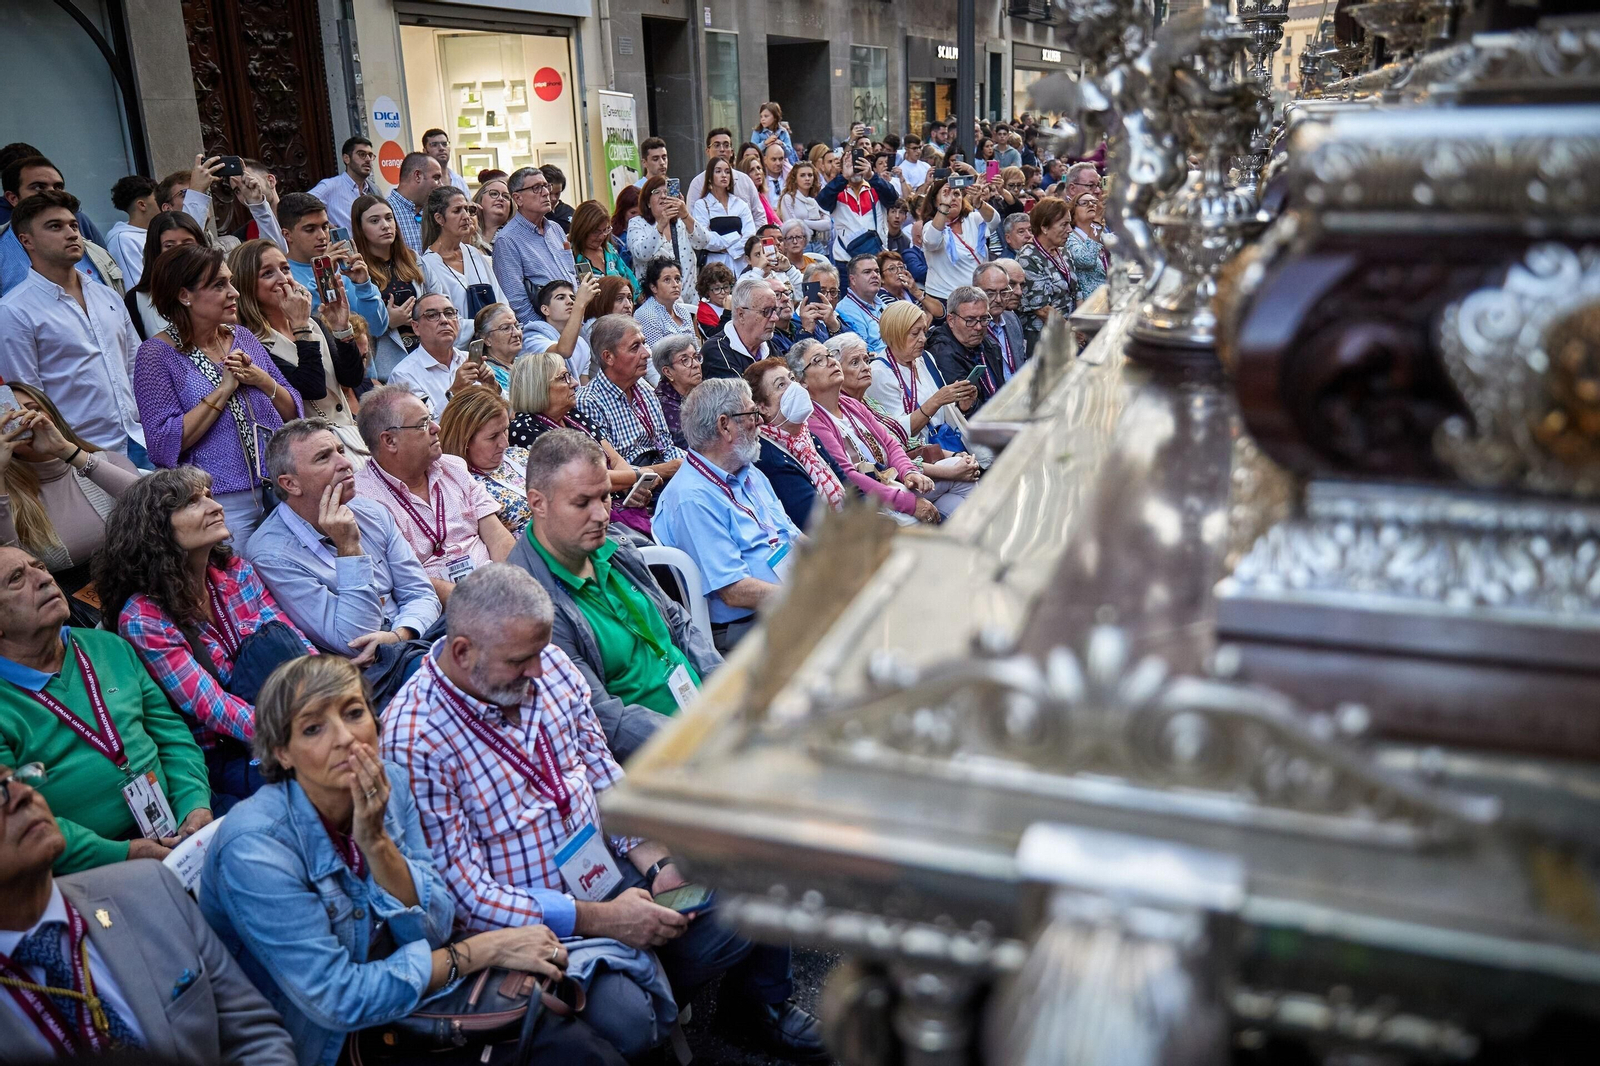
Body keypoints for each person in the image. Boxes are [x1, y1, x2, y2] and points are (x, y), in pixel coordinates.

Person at [383, 564, 823, 1059]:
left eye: (538, 654)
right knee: (627, 1015)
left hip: (607, 870)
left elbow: (600, 771)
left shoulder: (545, 662)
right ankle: (628, 1004)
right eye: (519, 661)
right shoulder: (414, 738)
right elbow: (465, 897)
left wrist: (655, 862)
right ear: (462, 652)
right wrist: (602, 920)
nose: (536, 672)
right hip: (530, 924)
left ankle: (707, 1001)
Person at [200, 654, 616, 1066]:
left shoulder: (392, 784)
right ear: (282, 754)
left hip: (409, 993)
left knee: (573, 1038)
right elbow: (340, 1001)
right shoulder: (255, 848)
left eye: (354, 712)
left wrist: (379, 844)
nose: (345, 737)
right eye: (313, 728)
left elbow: (434, 928)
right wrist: (482, 950)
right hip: (328, 1044)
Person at [0, 761, 296, 1062]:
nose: (22, 793)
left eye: (14, 777)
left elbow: (254, 1034)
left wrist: (194, 799)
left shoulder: (149, 887)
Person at [98, 466, 316, 802]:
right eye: (192, 503)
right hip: (226, 749)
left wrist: (331, 698)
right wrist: (296, 733)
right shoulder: (143, 616)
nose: (215, 507)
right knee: (313, 781)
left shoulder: (236, 572)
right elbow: (209, 706)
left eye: (209, 496)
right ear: (156, 529)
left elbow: (295, 643)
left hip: (289, 713)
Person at [509, 429, 722, 755]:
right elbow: (603, 718)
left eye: (605, 496)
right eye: (582, 502)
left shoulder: (613, 546)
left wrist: (724, 688)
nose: (602, 515)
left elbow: (676, 621)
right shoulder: (531, 606)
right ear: (538, 503)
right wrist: (700, 735)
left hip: (707, 717)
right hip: (662, 758)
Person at [0, 548, 211, 872]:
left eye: (39, 566)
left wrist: (194, 805)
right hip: (93, 868)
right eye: (17, 579)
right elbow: (15, 822)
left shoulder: (107, 646)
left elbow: (171, 736)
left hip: (180, 826)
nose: (44, 579)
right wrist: (122, 853)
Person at [134, 244, 301, 540]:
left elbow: (292, 411)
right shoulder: (156, 355)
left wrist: (262, 379)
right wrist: (223, 390)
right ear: (184, 295)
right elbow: (162, 444)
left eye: (231, 282)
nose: (234, 292)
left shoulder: (242, 337)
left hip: (283, 485)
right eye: (219, 285)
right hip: (223, 502)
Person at [247, 418, 440, 665]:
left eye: (340, 451)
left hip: (415, 638)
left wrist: (399, 635)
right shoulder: (271, 556)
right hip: (372, 674)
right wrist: (349, 550)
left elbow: (421, 593)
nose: (346, 463)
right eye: (323, 458)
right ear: (290, 484)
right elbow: (355, 639)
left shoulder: (370, 511)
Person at [653, 378, 802, 652]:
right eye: (751, 414)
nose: (760, 421)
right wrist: (806, 597)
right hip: (751, 625)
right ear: (724, 426)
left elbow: (789, 533)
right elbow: (734, 591)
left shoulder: (748, 471)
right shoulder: (691, 498)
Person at [0, 191, 144, 459]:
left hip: (139, 439)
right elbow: (29, 398)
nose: (71, 233)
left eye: (73, 225)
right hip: (78, 452)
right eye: (55, 226)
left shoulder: (107, 295)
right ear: (26, 240)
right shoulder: (14, 310)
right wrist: (65, 453)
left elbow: (136, 366)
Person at [352, 385, 514, 601]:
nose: (436, 428)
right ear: (390, 441)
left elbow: (497, 537)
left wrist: (514, 583)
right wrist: (477, 600)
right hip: (446, 610)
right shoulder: (363, 500)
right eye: (423, 424)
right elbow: (405, 580)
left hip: (498, 585)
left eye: (431, 418)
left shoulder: (453, 467)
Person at [0, 384, 140, 603]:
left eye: (32, 409)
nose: (25, 419)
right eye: (10, 417)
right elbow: (11, 569)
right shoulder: (6, 496)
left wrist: (65, 450)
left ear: (51, 414)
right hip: (77, 617)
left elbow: (156, 505)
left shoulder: (106, 461)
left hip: (145, 586)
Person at [229, 239, 366, 454]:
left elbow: (352, 379)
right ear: (247, 286)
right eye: (267, 274)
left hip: (349, 438)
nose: (283, 279)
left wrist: (341, 328)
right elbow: (312, 389)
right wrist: (300, 327)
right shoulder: (254, 343)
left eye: (285, 269)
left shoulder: (314, 323)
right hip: (311, 452)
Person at [506, 351, 657, 539]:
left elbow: (614, 458)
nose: (575, 383)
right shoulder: (524, 429)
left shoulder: (573, 415)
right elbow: (583, 480)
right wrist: (637, 476)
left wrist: (632, 491)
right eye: (563, 378)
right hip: (587, 519)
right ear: (538, 387)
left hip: (618, 506)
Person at [800, 336, 943, 526]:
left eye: (830, 356)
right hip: (870, 500)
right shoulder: (812, 420)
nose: (831, 362)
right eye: (818, 361)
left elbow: (890, 444)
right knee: (921, 523)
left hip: (894, 480)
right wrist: (908, 502)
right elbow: (848, 475)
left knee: (959, 489)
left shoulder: (850, 403)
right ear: (802, 382)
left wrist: (909, 472)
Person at [840, 328, 978, 515]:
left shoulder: (867, 401)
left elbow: (909, 444)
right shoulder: (853, 403)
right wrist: (952, 470)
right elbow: (886, 461)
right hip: (892, 486)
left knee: (955, 500)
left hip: (912, 470)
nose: (866, 367)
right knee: (965, 480)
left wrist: (954, 455)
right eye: (855, 363)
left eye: (866, 360)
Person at [576, 314, 686, 477]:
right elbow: (606, 472)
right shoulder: (589, 402)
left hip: (661, 474)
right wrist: (663, 470)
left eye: (644, 343)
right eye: (635, 347)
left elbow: (666, 446)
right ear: (608, 357)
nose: (646, 353)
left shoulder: (643, 388)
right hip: (631, 490)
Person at [745, 355, 847, 529]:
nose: (794, 387)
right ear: (763, 408)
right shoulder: (769, 457)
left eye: (791, 379)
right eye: (781, 385)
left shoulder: (806, 437)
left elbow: (848, 486)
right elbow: (814, 522)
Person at [867, 300, 979, 457]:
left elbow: (945, 412)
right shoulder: (879, 373)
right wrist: (937, 400)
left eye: (923, 332)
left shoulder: (925, 358)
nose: (923, 339)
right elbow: (898, 432)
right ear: (895, 334)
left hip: (946, 444)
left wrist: (963, 404)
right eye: (915, 333)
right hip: (917, 459)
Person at [277, 192, 390, 340]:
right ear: (287, 235)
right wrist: (323, 274)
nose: (322, 236)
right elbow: (309, 326)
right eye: (310, 229)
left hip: (364, 360)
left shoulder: (344, 266)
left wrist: (364, 285)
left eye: (325, 227)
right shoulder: (283, 276)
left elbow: (376, 329)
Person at [0, 157, 119, 296]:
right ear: (13, 198)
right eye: (38, 187)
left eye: (58, 187)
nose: (53, 193)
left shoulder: (95, 252)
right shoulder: (4, 253)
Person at [350, 192, 425, 381]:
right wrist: (389, 322)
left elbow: (436, 298)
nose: (385, 225)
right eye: (374, 221)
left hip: (423, 355)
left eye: (389, 218)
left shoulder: (413, 259)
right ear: (360, 228)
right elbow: (358, 327)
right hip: (387, 367)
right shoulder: (356, 271)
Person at [420, 186, 507, 348]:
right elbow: (444, 320)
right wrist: (493, 326)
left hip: (495, 346)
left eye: (468, 209)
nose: (466, 216)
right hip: (459, 351)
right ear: (439, 219)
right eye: (457, 211)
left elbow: (500, 299)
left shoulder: (474, 254)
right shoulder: (429, 264)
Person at [439, 387, 530, 536]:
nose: (504, 443)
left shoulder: (519, 454)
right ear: (464, 440)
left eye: (505, 429)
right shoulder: (462, 488)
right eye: (493, 436)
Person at [495, 166, 577, 327]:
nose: (546, 192)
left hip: (575, 320)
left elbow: (572, 274)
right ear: (518, 199)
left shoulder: (555, 228)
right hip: (545, 332)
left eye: (546, 186)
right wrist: (545, 331)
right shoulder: (507, 240)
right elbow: (517, 302)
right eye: (536, 188)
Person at [388, 293, 496, 414]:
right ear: (416, 327)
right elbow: (423, 427)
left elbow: (509, 413)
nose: (444, 320)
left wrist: (492, 386)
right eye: (432, 315)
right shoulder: (403, 375)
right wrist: (455, 392)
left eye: (449, 313)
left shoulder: (468, 359)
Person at [123, 210, 206, 341]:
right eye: (169, 246)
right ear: (155, 251)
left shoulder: (221, 288)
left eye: (187, 244)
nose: (179, 251)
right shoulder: (137, 299)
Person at [816, 146, 899, 270]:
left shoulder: (876, 186)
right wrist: (844, 177)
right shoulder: (837, 189)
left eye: (863, 161)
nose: (857, 166)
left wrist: (871, 176)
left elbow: (893, 198)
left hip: (875, 257)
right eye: (851, 162)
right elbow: (822, 201)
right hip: (845, 260)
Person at [920, 171, 996, 302]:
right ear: (934, 201)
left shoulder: (973, 219)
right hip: (946, 298)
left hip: (978, 295)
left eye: (956, 194)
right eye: (946, 193)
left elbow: (995, 221)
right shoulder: (931, 226)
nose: (952, 198)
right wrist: (945, 205)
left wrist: (978, 203)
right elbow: (932, 242)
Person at [626, 176, 702, 308]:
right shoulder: (637, 223)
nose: (663, 196)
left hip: (690, 304)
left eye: (667, 192)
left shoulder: (681, 223)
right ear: (648, 202)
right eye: (657, 192)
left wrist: (685, 215)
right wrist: (660, 226)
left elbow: (703, 241)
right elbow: (642, 254)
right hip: (654, 306)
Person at [925, 284, 1001, 412]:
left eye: (983, 319)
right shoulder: (943, 352)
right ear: (951, 320)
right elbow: (965, 407)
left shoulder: (988, 344)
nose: (978, 327)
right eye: (970, 320)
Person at [1017, 195, 1077, 348]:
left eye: (1069, 224)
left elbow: (1077, 290)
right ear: (1044, 227)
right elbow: (1042, 309)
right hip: (1043, 337)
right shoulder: (1028, 257)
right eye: (1064, 225)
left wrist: (1079, 325)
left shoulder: (1063, 252)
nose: (1070, 230)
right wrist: (1072, 331)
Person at [701, 274, 782, 380]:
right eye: (766, 311)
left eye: (775, 310)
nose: (775, 318)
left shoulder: (768, 344)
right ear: (741, 314)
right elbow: (742, 395)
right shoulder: (716, 351)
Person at [523, 276, 599, 380]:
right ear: (545, 310)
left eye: (573, 298)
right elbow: (563, 352)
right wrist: (580, 305)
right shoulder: (532, 337)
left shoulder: (581, 344)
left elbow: (583, 388)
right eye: (561, 298)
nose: (570, 302)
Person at [691, 157, 755, 273]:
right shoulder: (702, 205)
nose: (724, 175)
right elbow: (705, 239)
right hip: (714, 264)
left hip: (740, 264)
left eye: (727, 171)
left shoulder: (740, 204)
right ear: (710, 178)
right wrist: (735, 236)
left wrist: (732, 249)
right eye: (718, 171)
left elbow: (749, 235)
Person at [686, 128, 764, 221]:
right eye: (717, 145)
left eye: (726, 145)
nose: (722, 149)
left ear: (731, 151)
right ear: (707, 151)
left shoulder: (745, 180)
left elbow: (759, 216)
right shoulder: (698, 183)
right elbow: (691, 219)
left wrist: (752, 235)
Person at [307, 136, 378, 233]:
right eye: (362, 154)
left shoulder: (374, 190)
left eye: (370, 155)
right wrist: (325, 224)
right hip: (345, 246)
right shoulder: (330, 185)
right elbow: (303, 205)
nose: (368, 159)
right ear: (346, 158)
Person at [570, 200, 639, 299]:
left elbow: (628, 276)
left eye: (606, 230)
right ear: (582, 230)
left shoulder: (610, 250)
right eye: (596, 232)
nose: (602, 236)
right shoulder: (571, 256)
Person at [974, 262, 1025, 385]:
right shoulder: (973, 326)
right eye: (990, 293)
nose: (998, 300)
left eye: (1004, 292)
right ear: (976, 292)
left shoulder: (1012, 319)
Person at [105, 175, 160, 286]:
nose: (165, 202)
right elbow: (136, 289)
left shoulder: (159, 232)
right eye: (158, 198)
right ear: (142, 205)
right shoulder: (123, 240)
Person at [834, 253, 893, 355]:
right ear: (853, 280)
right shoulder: (846, 310)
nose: (875, 275)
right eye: (867, 272)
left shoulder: (882, 304)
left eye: (877, 271)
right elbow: (864, 350)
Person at [386, 151, 444, 253]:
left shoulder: (435, 212)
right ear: (417, 176)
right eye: (436, 178)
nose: (441, 185)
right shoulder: (385, 212)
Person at [634, 256, 697, 347]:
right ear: (653, 287)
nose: (675, 285)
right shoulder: (646, 315)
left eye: (677, 279)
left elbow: (696, 348)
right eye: (667, 280)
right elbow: (657, 358)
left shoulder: (683, 312)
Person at [652, 334, 701, 449]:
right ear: (668, 372)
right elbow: (691, 447)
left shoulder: (704, 390)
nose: (696, 365)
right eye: (685, 360)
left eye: (695, 357)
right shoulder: (663, 405)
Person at [472, 301, 523, 394]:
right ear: (487, 339)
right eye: (506, 328)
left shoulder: (524, 363)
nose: (516, 333)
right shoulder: (487, 373)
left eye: (516, 326)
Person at [1066, 191, 1110, 299]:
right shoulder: (1069, 238)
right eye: (1084, 203)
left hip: (1109, 299)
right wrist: (1097, 221)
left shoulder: (1103, 235)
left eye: (1094, 202)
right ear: (1072, 213)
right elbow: (1087, 260)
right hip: (1089, 305)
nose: (1091, 205)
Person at [878, 249, 942, 317]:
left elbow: (941, 313)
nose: (899, 271)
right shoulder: (882, 297)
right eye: (892, 268)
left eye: (901, 267)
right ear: (881, 278)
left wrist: (917, 292)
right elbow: (910, 325)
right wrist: (929, 314)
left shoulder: (909, 290)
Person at [471, 174, 513, 253]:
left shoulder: (515, 236)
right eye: (494, 194)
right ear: (480, 199)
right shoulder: (466, 233)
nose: (500, 198)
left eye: (506, 196)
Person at [422, 127, 471, 194]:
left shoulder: (459, 181)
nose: (441, 148)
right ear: (425, 151)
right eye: (434, 145)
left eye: (444, 144)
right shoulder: (422, 181)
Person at [693, 262, 735, 338]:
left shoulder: (735, 303)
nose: (723, 292)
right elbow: (715, 337)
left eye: (726, 287)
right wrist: (727, 313)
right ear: (707, 291)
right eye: (717, 289)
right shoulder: (704, 311)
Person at [608, 186, 641, 272]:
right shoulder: (612, 236)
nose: (637, 217)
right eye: (633, 213)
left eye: (641, 213)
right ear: (622, 211)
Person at [541, 165, 574, 231]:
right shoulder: (535, 216)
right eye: (550, 193)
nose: (554, 198)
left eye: (557, 193)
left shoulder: (570, 212)